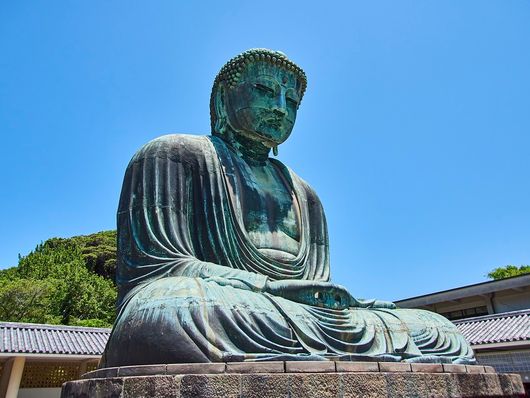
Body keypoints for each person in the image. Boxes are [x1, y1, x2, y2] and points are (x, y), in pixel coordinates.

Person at [101, 49, 475, 367]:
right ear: (222, 99)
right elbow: (160, 270)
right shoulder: (173, 155)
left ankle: (330, 350)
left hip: (298, 317)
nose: (281, 109)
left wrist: (335, 302)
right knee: (166, 314)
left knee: (436, 328)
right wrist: (269, 287)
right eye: (265, 90)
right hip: (224, 304)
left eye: (292, 102)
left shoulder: (305, 194)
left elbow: (320, 288)